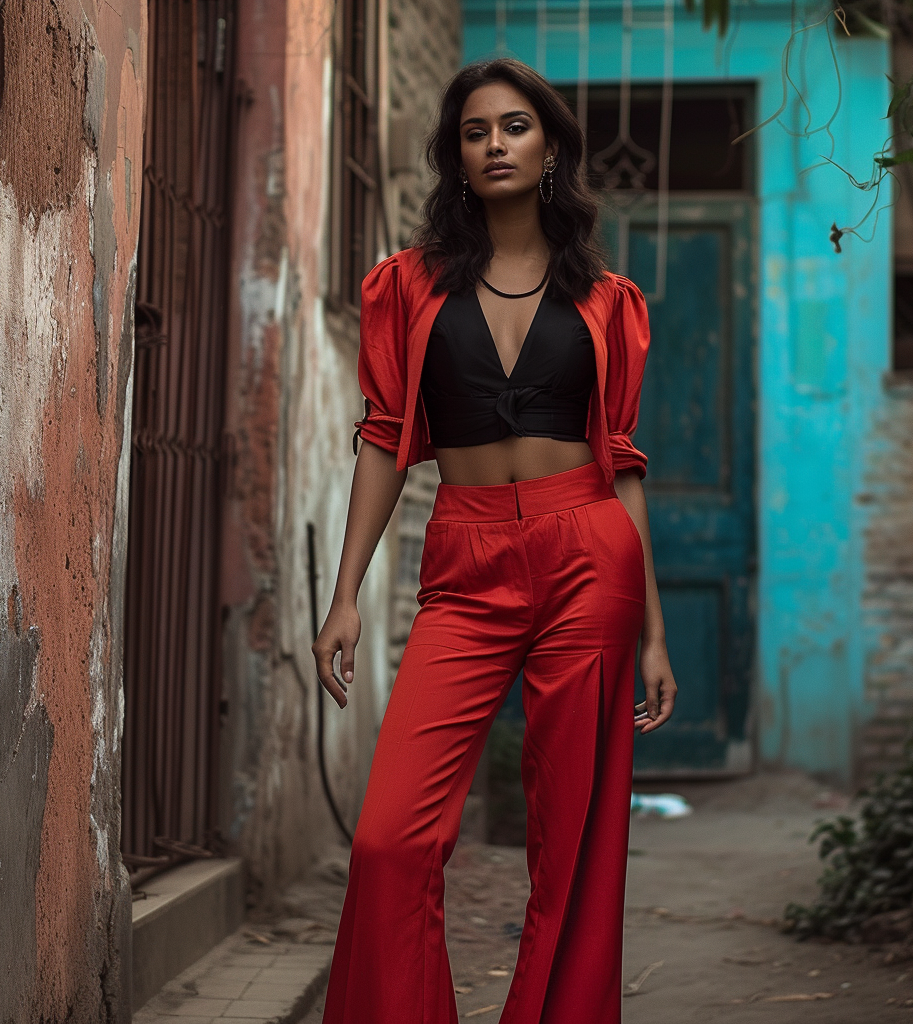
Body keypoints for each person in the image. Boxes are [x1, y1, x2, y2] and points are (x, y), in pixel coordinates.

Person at [313, 57, 678, 1024]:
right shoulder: (408, 288)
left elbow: (623, 462)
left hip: (590, 558)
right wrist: (346, 593)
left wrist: (653, 633)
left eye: (515, 127)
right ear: (456, 158)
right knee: (390, 840)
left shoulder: (609, 300)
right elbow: (388, 439)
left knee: (573, 848)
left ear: (549, 147)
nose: (496, 145)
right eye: (476, 133)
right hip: (467, 563)